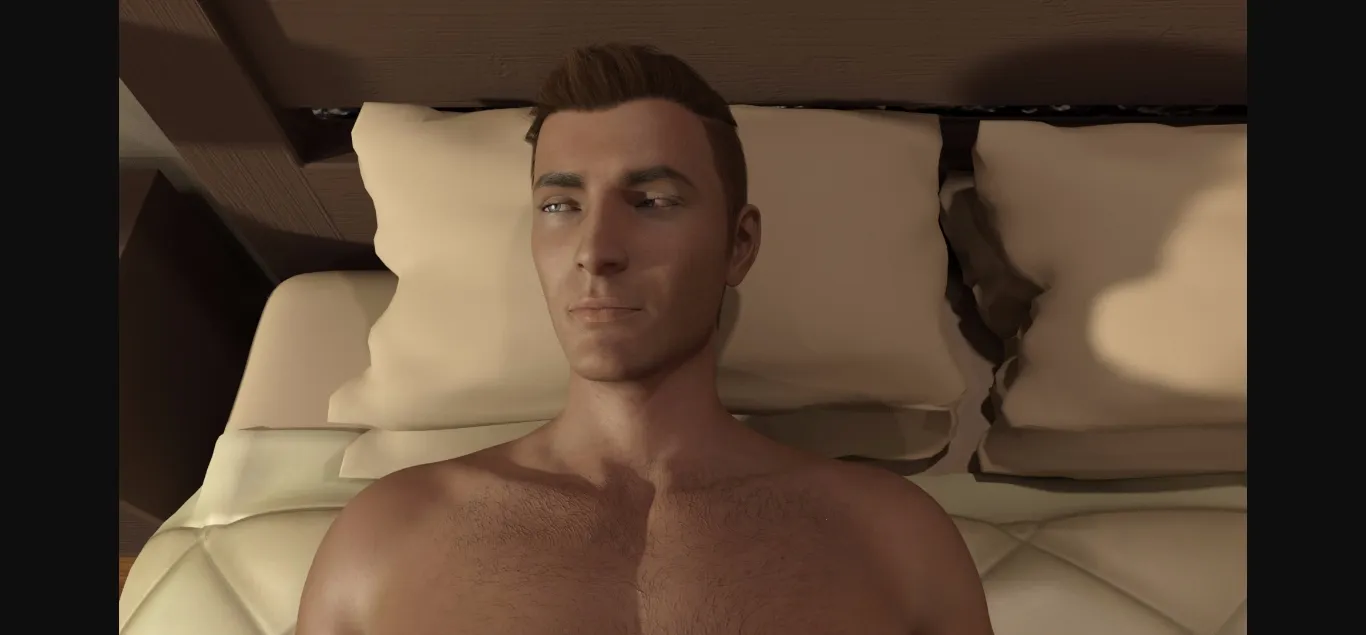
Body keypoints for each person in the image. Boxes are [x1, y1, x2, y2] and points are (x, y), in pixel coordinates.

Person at [297, 43, 993, 635]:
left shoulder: (893, 537)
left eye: (653, 201)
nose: (595, 250)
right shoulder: (386, 537)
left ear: (738, 244)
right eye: (560, 205)